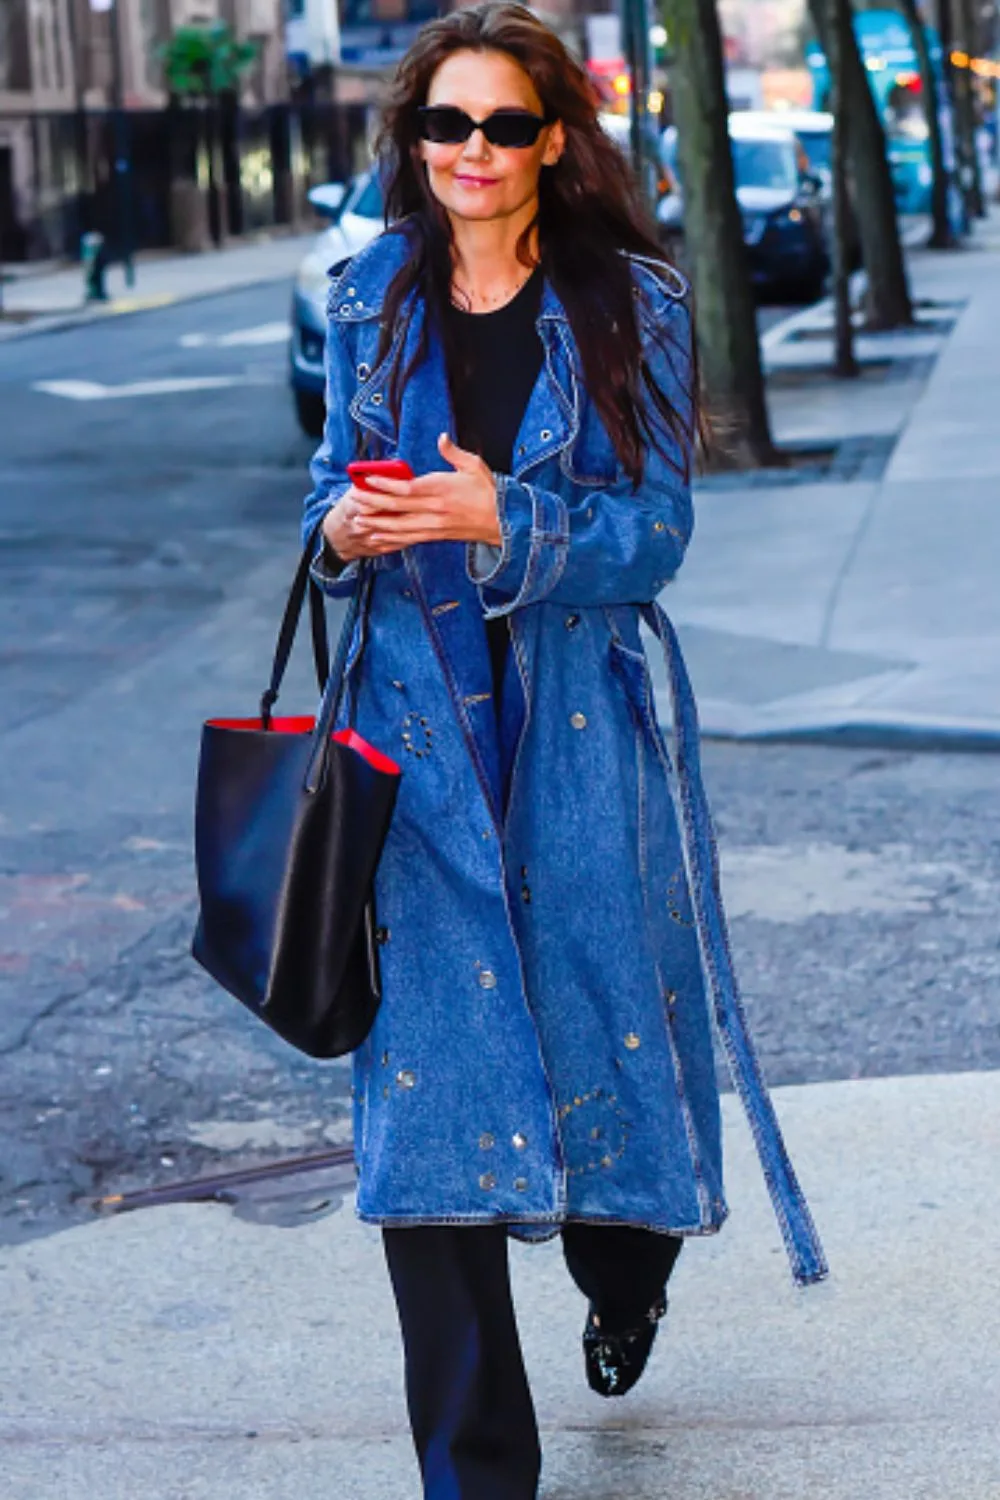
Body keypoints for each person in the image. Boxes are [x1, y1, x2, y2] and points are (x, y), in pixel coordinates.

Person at [302, 6, 827, 1496]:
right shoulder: (368, 300)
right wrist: (346, 530)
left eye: (505, 125)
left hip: (576, 745)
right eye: (446, 123)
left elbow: (654, 534)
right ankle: (478, 1475)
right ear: (414, 140)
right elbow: (325, 497)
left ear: (552, 142)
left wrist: (505, 520)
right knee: (430, 1111)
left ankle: (626, 1276)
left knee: (609, 1061)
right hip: (412, 752)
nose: (472, 150)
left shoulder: (628, 307)